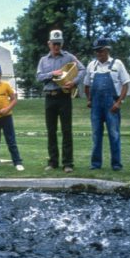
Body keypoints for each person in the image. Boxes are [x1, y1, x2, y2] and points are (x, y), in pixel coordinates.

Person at [36, 29, 86, 173]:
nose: (57, 46)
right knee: (51, 131)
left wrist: (74, 82)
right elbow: (38, 77)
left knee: (66, 130)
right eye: (54, 44)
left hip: (64, 97)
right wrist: (52, 74)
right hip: (49, 97)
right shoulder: (43, 60)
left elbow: (82, 70)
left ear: (62, 43)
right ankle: (52, 162)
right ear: (49, 44)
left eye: (59, 44)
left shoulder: (69, 57)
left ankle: (68, 163)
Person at [84, 38, 130, 171]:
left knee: (114, 134)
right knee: (96, 135)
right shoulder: (91, 66)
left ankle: (116, 165)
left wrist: (119, 102)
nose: (98, 53)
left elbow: (126, 84)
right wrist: (89, 100)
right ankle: (95, 164)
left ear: (107, 50)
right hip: (96, 107)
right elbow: (86, 85)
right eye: (96, 51)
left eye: (100, 50)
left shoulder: (117, 64)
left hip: (112, 105)